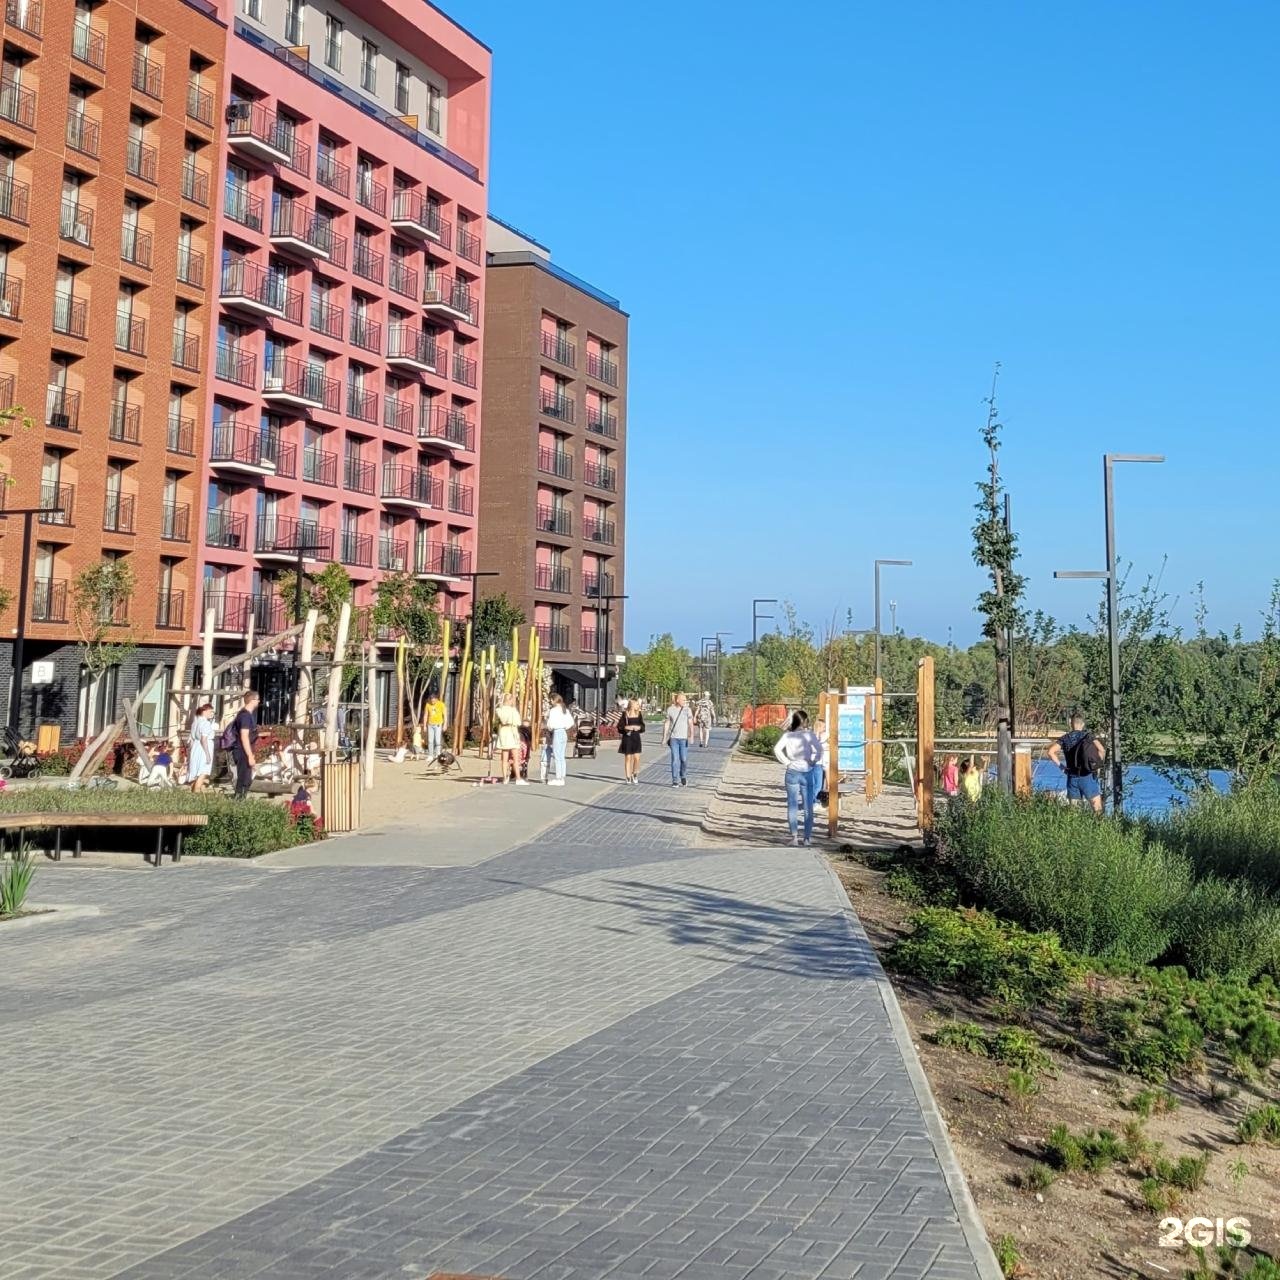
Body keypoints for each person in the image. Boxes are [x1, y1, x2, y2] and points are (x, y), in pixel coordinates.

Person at [772, 710, 823, 846]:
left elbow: (777, 749)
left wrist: (787, 762)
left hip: (792, 771)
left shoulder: (788, 735)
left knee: (792, 805)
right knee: (808, 806)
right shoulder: (809, 735)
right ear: (805, 721)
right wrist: (814, 760)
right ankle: (807, 838)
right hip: (807, 770)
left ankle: (794, 837)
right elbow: (819, 749)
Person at [1048, 713, 1107, 813]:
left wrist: (1062, 767)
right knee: (1097, 809)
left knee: (1074, 812)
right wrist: (1096, 766)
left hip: (1072, 777)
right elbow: (1102, 750)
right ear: (1083, 724)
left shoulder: (1065, 738)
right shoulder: (1089, 737)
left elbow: (1050, 752)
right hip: (1087, 775)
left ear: (1071, 723)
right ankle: (1098, 823)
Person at [229, 691, 260, 800]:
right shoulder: (245, 716)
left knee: (246, 778)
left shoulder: (247, 715)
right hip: (242, 750)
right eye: (258, 699)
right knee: (243, 778)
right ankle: (238, 800)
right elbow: (244, 736)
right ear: (252, 700)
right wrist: (250, 756)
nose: (259, 701)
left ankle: (241, 799)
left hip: (244, 750)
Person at [662, 691, 694, 787]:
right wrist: (664, 738)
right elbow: (667, 723)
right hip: (674, 738)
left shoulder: (687, 710)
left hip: (684, 738)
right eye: (683, 700)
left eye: (685, 700)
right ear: (677, 700)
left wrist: (691, 736)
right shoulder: (670, 710)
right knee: (675, 759)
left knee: (684, 759)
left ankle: (683, 775)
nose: (685, 701)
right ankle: (675, 780)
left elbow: (690, 723)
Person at [185, 703, 216, 792]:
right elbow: (203, 739)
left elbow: (191, 739)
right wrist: (207, 754)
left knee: (196, 771)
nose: (212, 714)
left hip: (196, 747)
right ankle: (196, 792)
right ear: (204, 711)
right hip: (203, 748)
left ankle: (194, 792)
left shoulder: (195, 722)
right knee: (203, 772)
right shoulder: (205, 723)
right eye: (210, 711)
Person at [495, 694, 525, 785]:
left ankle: (505, 778)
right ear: (509, 700)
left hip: (504, 732)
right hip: (512, 732)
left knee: (504, 757)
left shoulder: (500, 710)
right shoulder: (513, 710)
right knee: (516, 757)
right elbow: (518, 722)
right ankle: (518, 778)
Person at [544, 694, 574, 785]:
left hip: (557, 732)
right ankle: (562, 777)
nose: (550, 702)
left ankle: (558, 778)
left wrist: (548, 725)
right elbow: (571, 722)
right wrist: (565, 726)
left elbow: (550, 725)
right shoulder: (565, 710)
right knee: (561, 756)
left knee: (557, 756)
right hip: (563, 732)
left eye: (551, 700)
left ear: (554, 700)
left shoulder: (553, 711)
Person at [618, 698, 645, 783]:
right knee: (628, 758)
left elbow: (643, 726)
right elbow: (620, 726)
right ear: (632, 705)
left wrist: (639, 727)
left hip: (636, 737)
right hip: (628, 737)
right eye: (637, 704)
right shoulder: (625, 714)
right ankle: (628, 776)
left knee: (637, 758)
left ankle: (635, 773)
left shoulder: (639, 714)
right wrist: (627, 727)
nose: (638, 706)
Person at [424, 691, 447, 759]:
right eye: (431, 701)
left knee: (437, 740)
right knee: (430, 741)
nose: (432, 702)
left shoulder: (441, 704)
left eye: (434, 701)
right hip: (430, 724)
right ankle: (430, 755)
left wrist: (445, 724)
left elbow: (445, 715)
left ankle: (438, 754)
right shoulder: (428, 704)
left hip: (438, 724)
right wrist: (424, 725)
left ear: (436, 699)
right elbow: (425, 715)